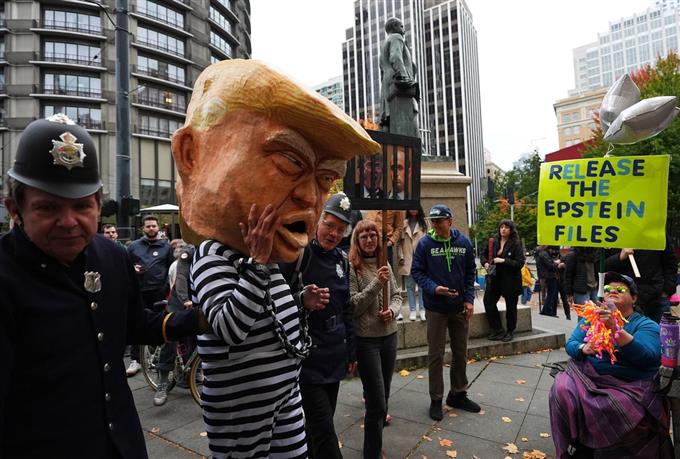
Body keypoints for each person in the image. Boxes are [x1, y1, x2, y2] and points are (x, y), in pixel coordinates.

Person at [171, 60, 379, 458]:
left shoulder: (262, 259)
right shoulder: (215, 257)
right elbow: (230, 326)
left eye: (324, 179)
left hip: (285, 397)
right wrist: (260, 263)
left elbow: (269, 315)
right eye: (290, 163)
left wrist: (300, 300)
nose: (309, 197)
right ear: (193, 155)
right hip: (242, 412)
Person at [0, 114, 205, 458]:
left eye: (82, 206)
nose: (69, 222)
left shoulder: (111, 255)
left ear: (98, 205)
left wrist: (200, 319)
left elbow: (136, 325)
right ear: (15, 209)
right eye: (48, 207)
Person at [549, 272, 673, 458]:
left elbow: (648, 357)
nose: (612, 291)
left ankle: (603, 449)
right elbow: (571, 344)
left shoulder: (646, 325)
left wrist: (616, 329)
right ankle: (577, 443)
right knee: (562, 388)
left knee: (615, 405)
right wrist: (584, 348)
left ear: (634, 298)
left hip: (628, 383)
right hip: (588, 376)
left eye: (620, 289)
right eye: (607, 289)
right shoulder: (592, 319)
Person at [279, 193, 357, 459]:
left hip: (334, 355)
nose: (334, 234)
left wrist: (351, 351)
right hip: (307, 358)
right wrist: (302, 299)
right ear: (317, 222)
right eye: (330, 225)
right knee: (325, 432)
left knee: (318, 427)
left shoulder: (342, 261)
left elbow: (346, 308)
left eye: (341, 229)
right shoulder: (298, 255)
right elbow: (273, 301)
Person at [411, 204, 480, 421]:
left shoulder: (463, 242)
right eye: (433, 221)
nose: (435, 225)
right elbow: (417, 272)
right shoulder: (424, 244)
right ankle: (436, 399)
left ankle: (458, 394)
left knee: (461, 352)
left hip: (459, 307)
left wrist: (469, 300)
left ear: (450, 220)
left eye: (439, 221)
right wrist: (434, 288)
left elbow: (470, 272)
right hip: (436, 308)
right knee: (436, 355)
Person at [349, 219, 402, 459]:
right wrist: (377, 283)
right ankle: (371, 453)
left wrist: (392, 310)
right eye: (364, 236)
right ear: (357, 241)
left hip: (389, 335)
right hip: (367, 340)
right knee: (376, 402)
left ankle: (375, 442)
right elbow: (353, 306)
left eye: (373, 235)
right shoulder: (353, 267)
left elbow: (397, 295)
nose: (369, 240)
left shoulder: (384, 263)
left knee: (385, 396)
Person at [125, 215, 175, 378]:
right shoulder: (133, 247)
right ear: (143, 228)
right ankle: (135, 360)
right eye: (148, 226)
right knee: (136, 323)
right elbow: (125, 267)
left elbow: (171, 269)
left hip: (159, 292)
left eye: (153, 226)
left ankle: (158, 357)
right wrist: (132, 269)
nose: (151, 228)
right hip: (139, 292)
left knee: (160, 323)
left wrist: (166, 289)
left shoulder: (166, 247)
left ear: (158, 227)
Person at [154, 241, 196, 404]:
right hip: (179, 300)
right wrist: (185, 299)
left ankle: (195, 370)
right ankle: (163, 381)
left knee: (197, 336)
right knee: (170, 335)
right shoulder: (189, 251)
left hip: (197, 299)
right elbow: (181, 276)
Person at [605, 242, 678, 323]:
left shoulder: (656, 235)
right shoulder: (611, 237)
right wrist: (619, 257)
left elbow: (671, 262)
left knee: (661, 330)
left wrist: (666, 291)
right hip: (622, 300)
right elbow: (600, 267)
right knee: (619, 330)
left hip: (656, 298)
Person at [479, 219, 525, 342]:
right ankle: (497, 329)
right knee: (488, 301)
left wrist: (504, 260)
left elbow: (520, 263)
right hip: (494, 278)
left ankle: (510, 331)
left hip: (510, 280)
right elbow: (482, 255)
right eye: (501, 227)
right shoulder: (493, 241)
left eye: (506, 227)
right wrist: (485, 263)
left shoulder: (516, 244)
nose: (503, 229)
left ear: (511, 230)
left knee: (511, 306)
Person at [379, 17, 419, 138]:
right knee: (407, 113)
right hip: (397, 79)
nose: (404, 29)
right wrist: (404, 77)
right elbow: (396, 57)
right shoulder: (396, 37)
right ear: (394, 27)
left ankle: (386, 145)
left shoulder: (385, 43)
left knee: (389, 117)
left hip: (388, 81)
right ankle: (413, 145)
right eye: (401, 26)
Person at [397, 206, 428, 321]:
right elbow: (399, 243)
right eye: (411, 208)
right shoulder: (403, 224)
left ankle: (423, 309)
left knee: (422, 286)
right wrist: (400, 256)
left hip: (421, 259)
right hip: (407, 259)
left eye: (415, 208)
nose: (413, 210)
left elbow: (429, 241)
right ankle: (413, 310)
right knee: (410, 286)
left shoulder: (425, 223)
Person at [536, 245, 559, 317]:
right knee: (551, 294)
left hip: (545, 276)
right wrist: (557, 263)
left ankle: (545, 310)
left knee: (550, 294)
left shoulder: (541, 253)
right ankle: (548, 311)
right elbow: (550, 265)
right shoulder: (544, 254)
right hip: (549, 276)